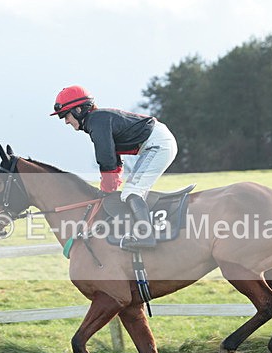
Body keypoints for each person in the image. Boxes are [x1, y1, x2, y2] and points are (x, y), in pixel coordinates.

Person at [50, 85, 178, 250]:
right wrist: (109, 190)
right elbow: (114, 161)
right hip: (155, 142)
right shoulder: (97, 121)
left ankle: (146, 237)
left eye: (65, 116)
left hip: (158, 144)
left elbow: (107, 160)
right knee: (130, 192)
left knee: (132, 192)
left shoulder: (96, 122)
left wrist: (106, 191)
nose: (66, 121)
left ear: (79, 110)